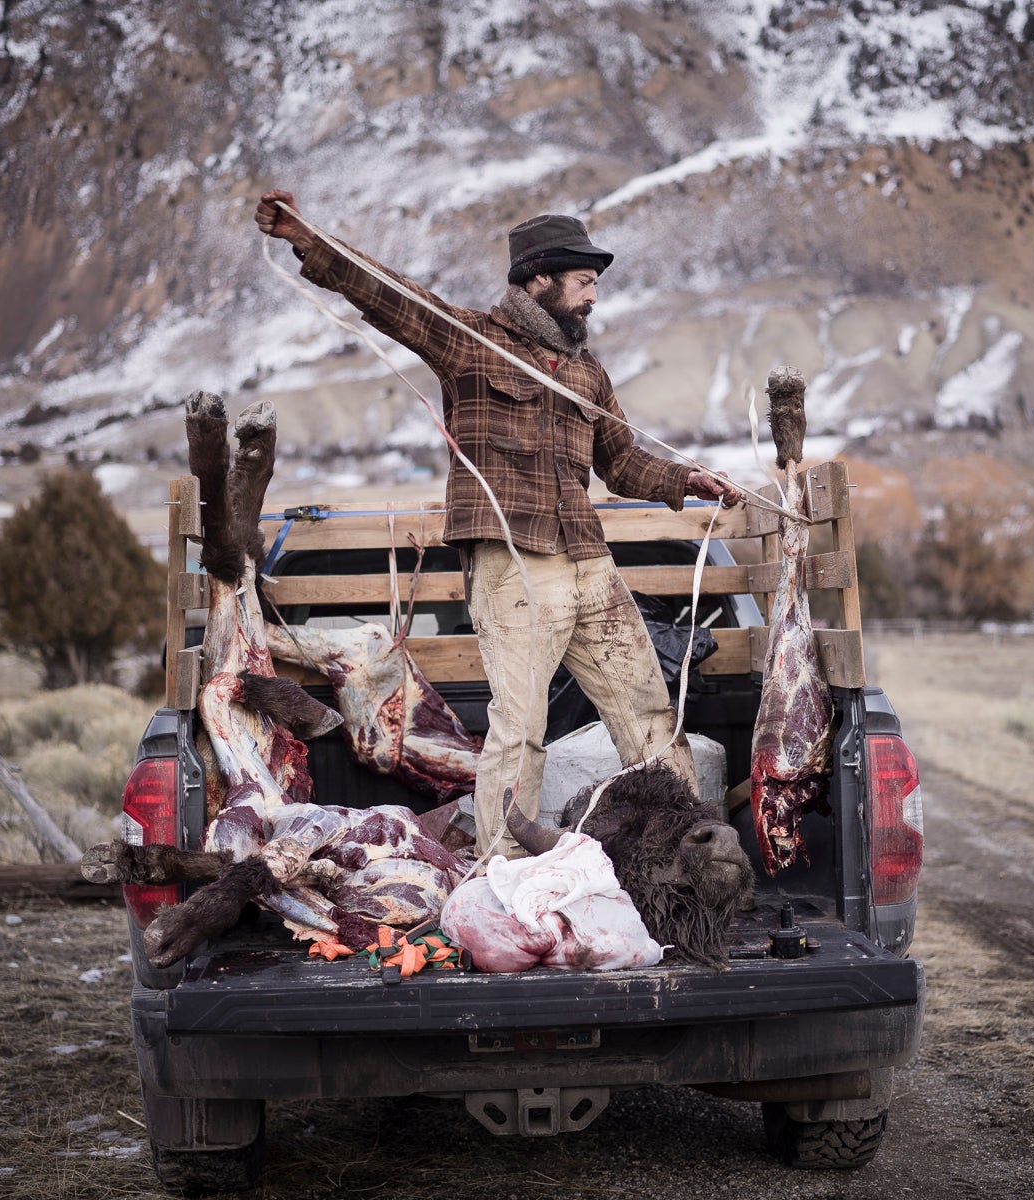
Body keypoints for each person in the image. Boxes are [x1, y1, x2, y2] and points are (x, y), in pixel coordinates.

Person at [255, 191, 741, 860]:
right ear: (537, 279)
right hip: (514, 564)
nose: (593, 297)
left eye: (595, 283)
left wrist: (685, 480)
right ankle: (505, 873)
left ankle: (691, 858)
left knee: (650, 714)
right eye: (584, 281)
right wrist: (306, 239)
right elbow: (392, 296)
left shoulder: (587, 373)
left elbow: (621, 460)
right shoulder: (472, 343)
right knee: (520, 730)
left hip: (589, 564)